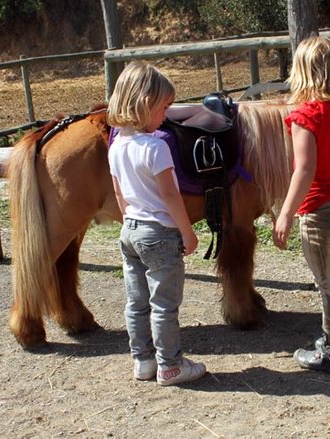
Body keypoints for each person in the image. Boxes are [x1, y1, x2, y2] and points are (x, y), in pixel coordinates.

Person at [107, 61, 206, 385]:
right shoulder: (157, 147)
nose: (166, 115)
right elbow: (170, 196)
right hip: (160, 235)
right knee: (164, 304)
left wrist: (130, 222)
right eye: (163, 108)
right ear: (145, 104)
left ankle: (143, 361)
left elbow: (120, 193)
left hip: (130, 231)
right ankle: (171, 365)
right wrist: (187, 232)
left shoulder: (116, 145)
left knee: (136, 302)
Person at [273, 36, 330, 374]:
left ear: (301, 71)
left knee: (329, 285)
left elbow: (305, 170)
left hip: (321, 213)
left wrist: (285, 212)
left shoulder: (304, 115)